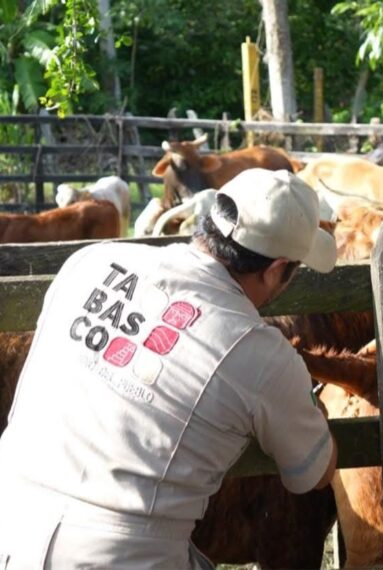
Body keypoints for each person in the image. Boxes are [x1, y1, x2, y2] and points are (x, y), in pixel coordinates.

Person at [0, 168, 339, 569]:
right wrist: (313, 410)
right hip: (124, 556)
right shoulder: (261, 353)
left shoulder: (92, 261)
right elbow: (315, 472)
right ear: (274, 269)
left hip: (11, 520)